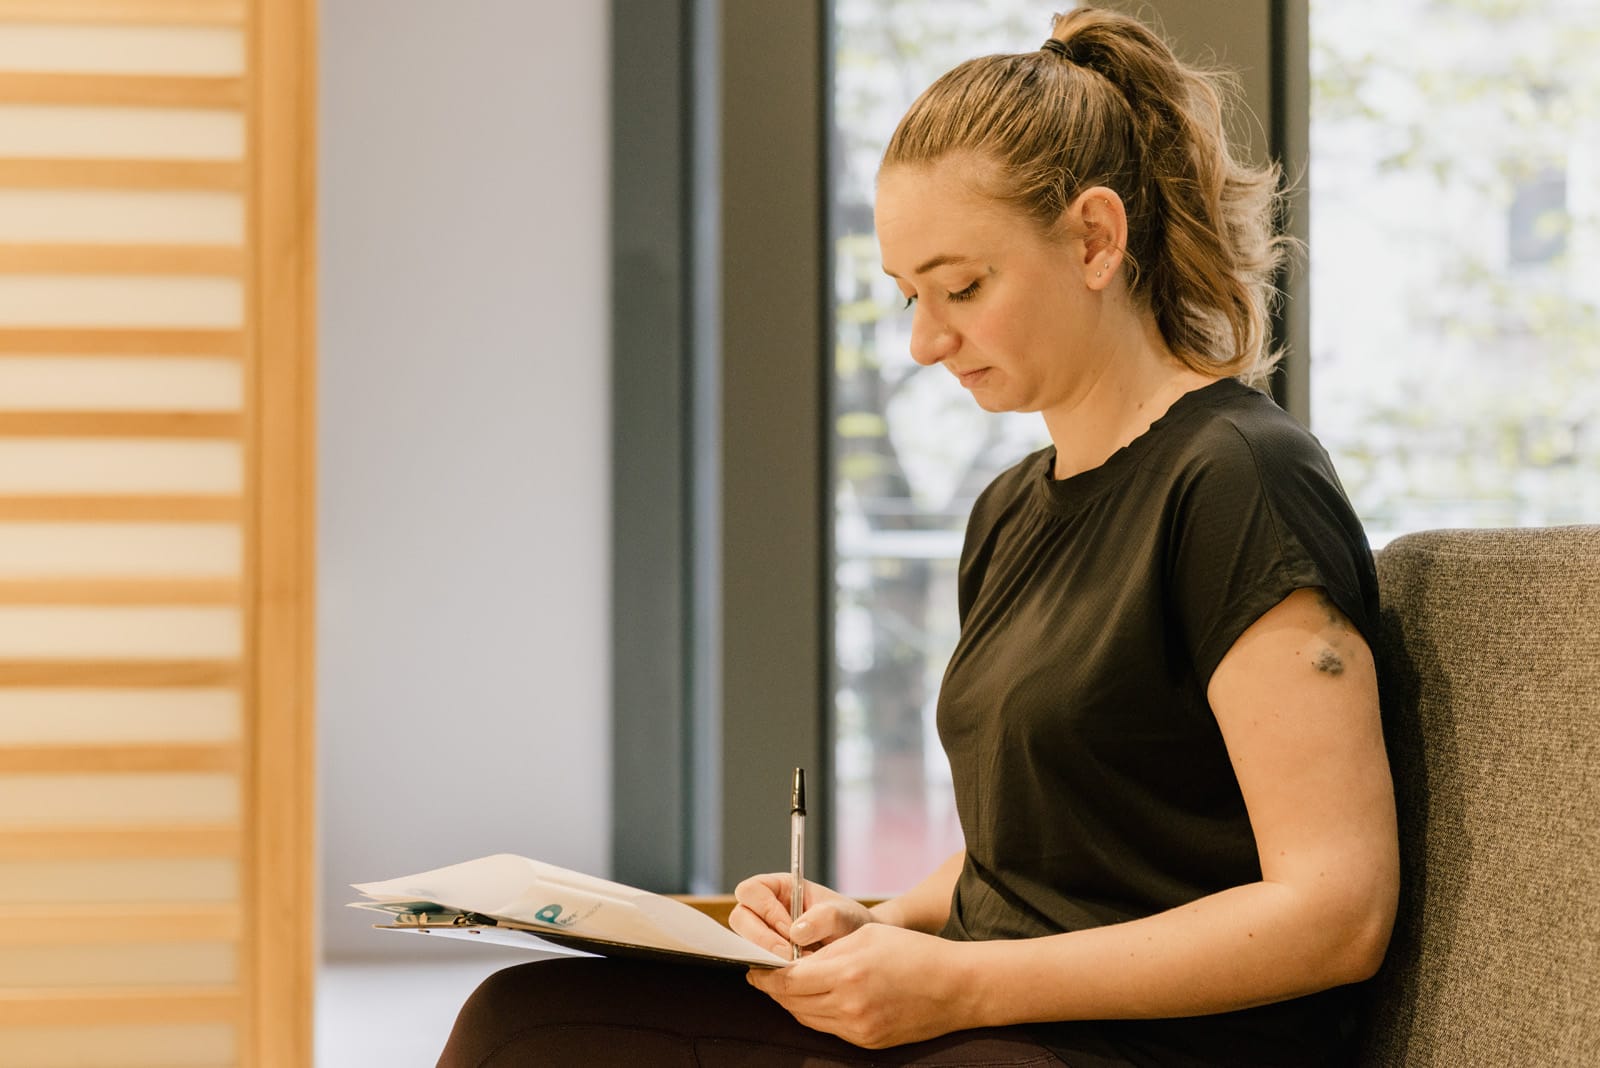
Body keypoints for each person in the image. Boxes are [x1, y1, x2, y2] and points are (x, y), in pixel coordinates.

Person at [437, 7, 1398, 1066]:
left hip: (1139, 1047)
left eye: (963, 287)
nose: (926, 340)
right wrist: (877, 927)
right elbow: (1034, 860)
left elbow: (1337, 912)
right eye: (908, 296)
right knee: (523, 1023)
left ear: (1093, 238)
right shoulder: (1013, 510)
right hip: (1001, 1015)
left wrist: (961, 985)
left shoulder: (1239, 480)